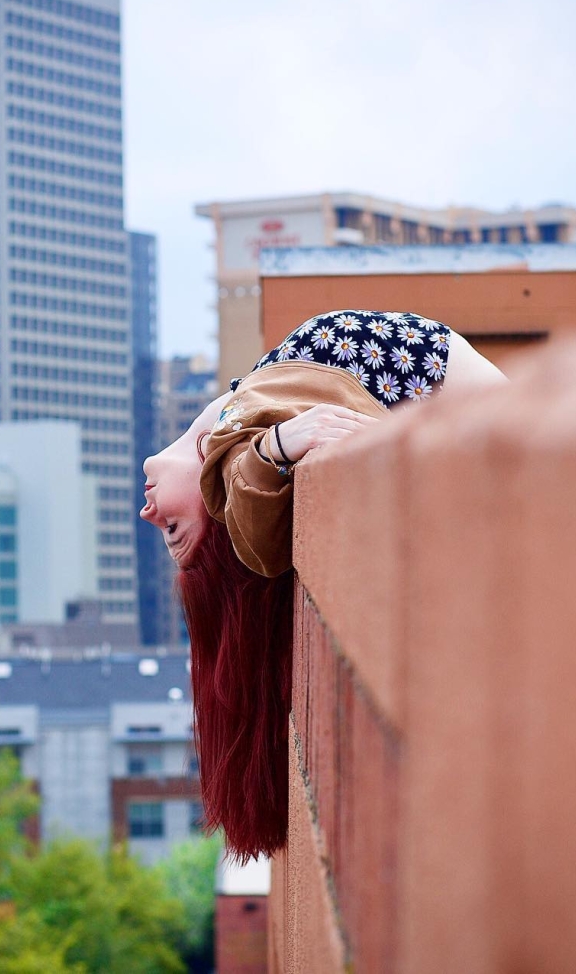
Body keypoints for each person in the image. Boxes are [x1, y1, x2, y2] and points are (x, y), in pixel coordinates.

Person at [141, 311, 505, 861]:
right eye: (172, 526)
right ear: (224, 523)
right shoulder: (235, 456)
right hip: (443, 395)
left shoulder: (237, 408)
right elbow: (252, 514)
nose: (146, 511)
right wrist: (277, 449)